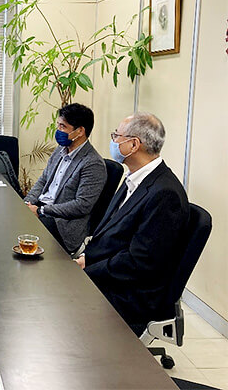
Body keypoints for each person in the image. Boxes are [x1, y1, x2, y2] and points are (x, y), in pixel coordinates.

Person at [74, 113, 189, 334]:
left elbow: (140, 262)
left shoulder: (165, 193)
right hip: (112, 273)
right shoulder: (135, 178)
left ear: (134, 144)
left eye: (116, 136)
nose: (113, 141)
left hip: (130, 294)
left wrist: (89, 269)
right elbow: (114, 236)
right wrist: (86, 259)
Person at [23, 103, 106, 254]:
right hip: (42, 208)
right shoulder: (60, 151)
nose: (58, 131)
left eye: (63, 127)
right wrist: (27, 203)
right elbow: (43, 180)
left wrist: (41, 210)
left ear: (80, 131)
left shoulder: (93, 163)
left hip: (62, 223)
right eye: (58, 126)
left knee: (20, 229)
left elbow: (82, 205)